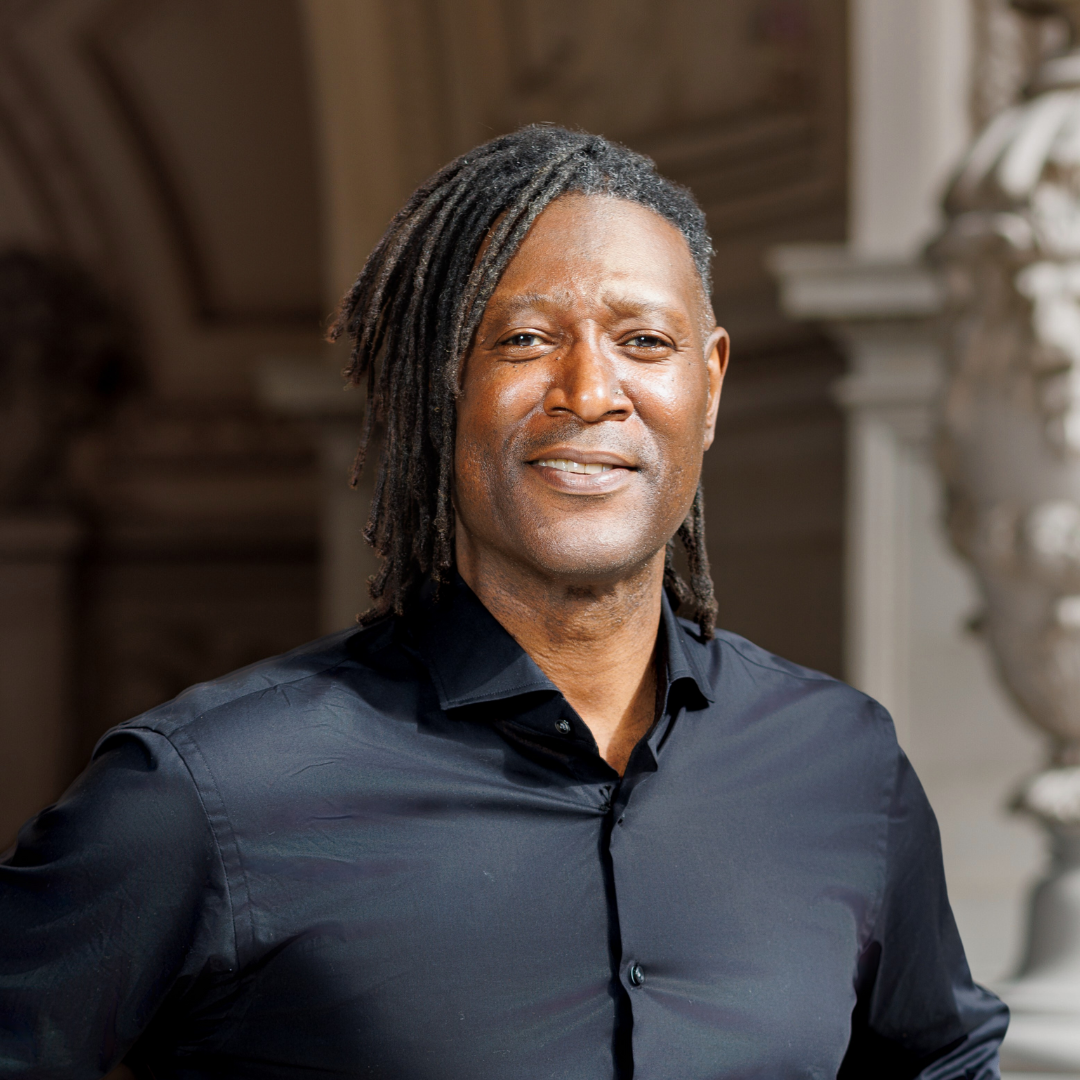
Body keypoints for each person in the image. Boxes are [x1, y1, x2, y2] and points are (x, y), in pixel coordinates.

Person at [0, 126, 1006, 1079]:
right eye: (524, 338)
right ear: (437, 388)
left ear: (710, 385)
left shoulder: (843, 765)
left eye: (644, 342)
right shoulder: (201, 796)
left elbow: (941, 1060)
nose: (589, 390)